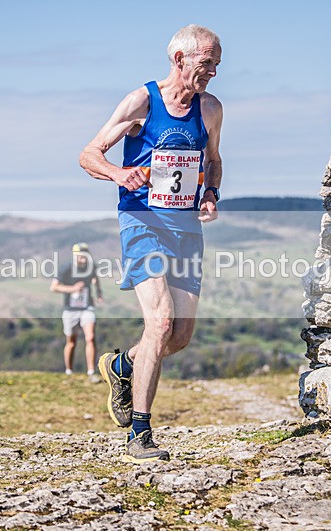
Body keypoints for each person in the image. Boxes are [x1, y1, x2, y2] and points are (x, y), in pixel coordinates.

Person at [79, 24, 223, 463]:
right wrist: (120, 174)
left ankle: (120, 366)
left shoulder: (211, 109)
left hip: (185, 229)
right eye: (207, 63)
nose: (213, 72)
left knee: (178, 336)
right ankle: (139, 435)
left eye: (217, 64)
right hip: (140, 222)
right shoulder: (142, 101)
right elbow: (89, 154)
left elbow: (213, 160)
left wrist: (212, 194)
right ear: (179, 58)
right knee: (159, 323)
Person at [50, 242, 103, 382]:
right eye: (81, 257)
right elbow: (54, 287)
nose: (84, 260)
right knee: (71, 341)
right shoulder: (66, 268)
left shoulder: (91, 267)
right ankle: (69, 371)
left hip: (87, 307)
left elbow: (95, 278)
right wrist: (72, 289)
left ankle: (91, 372)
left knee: (90, 337)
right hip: (70, 310)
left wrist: (98, 292)